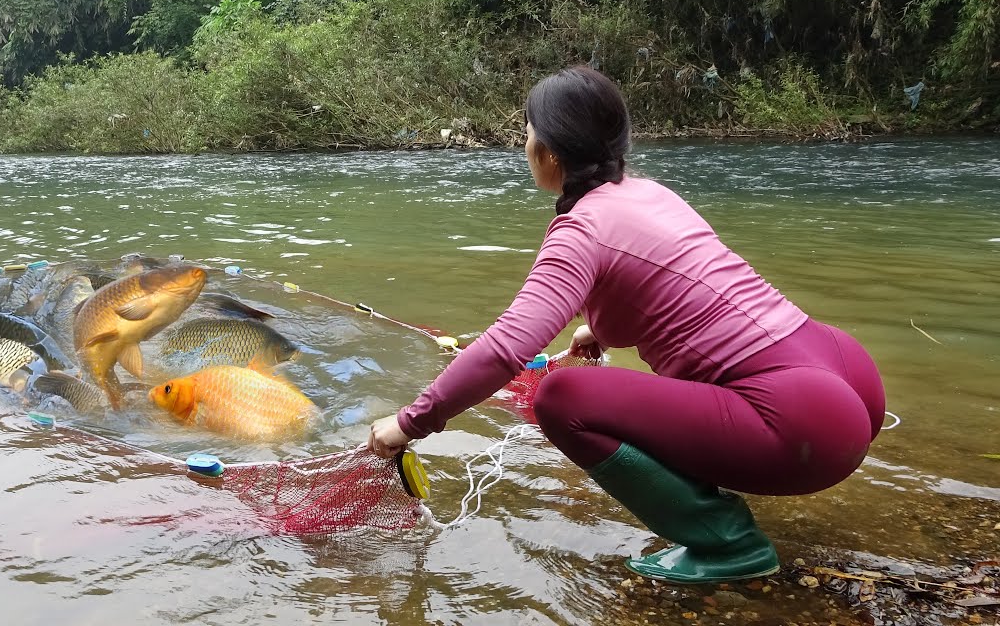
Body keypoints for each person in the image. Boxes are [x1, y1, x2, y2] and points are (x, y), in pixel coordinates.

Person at [367, 66, 885, 584]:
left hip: (798, 423)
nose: (524, 146)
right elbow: (689, 285)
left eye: (527, 134)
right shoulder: (650, 193)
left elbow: (506, 349)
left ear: (549, 152)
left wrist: (411, 422)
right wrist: (597, 329)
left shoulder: (579, 230)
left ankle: (729, 544)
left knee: (562, 398)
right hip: (845, 374)